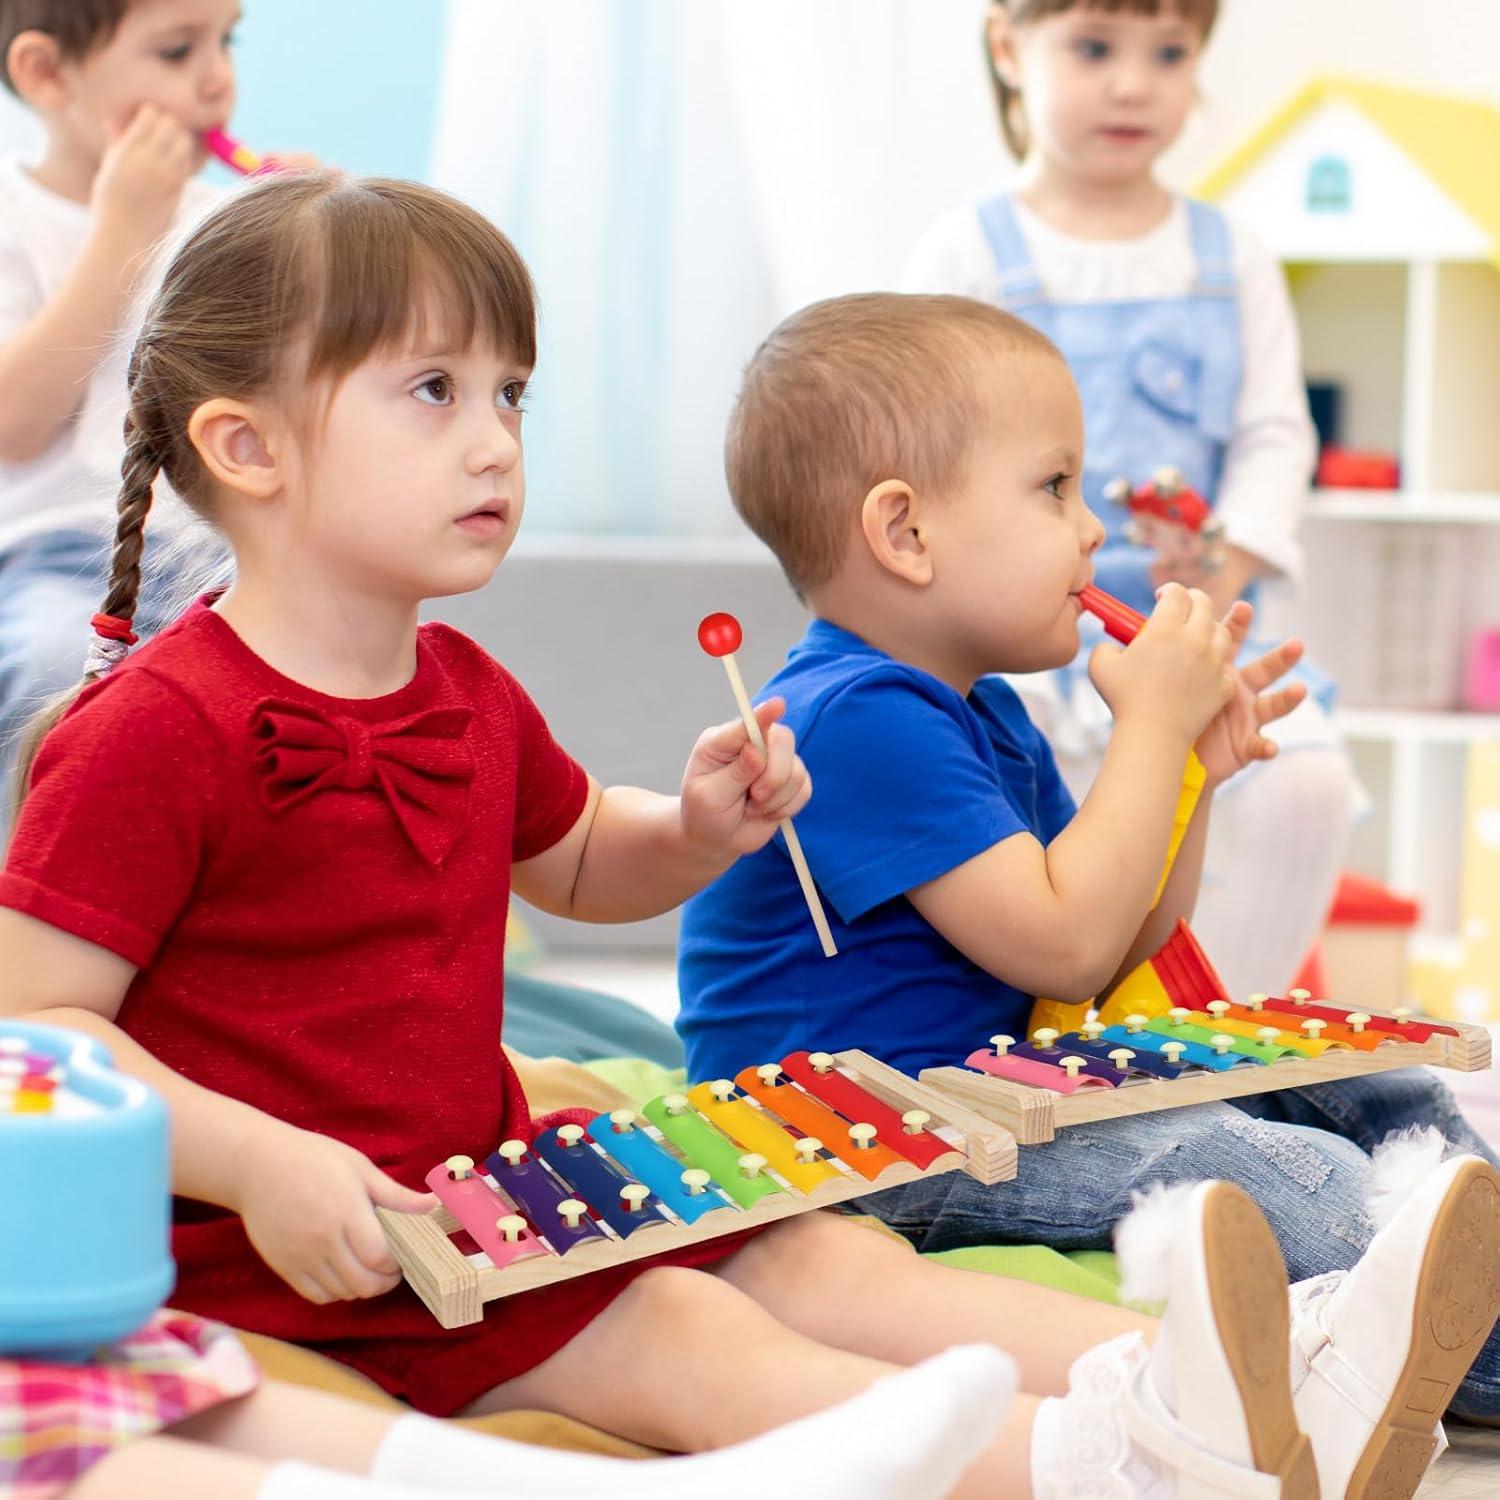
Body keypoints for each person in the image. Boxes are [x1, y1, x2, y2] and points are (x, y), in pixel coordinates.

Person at [1, 168, 1425, 1500]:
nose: (496, 437)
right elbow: (39, 1033)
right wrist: (257, 1163)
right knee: (738, 1361)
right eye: (435, 391)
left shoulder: (464, 693)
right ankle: (1103, 1457)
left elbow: (571, 864)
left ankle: (1217, 1409)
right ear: (245, 447)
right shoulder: (154, 728)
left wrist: (688, 830)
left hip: (460, 1215)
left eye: (511, 393)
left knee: (770, 1298)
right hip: (255, 1246)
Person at [675, 290, 1500, 1457]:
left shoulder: (987, 714)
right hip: (868, 1132)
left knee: (1390, 1090)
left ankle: (1484, 1288)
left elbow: (1115, 950)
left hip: (995, 1085)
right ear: (906, 534)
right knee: (1269, 1171)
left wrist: (1190, 779)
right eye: (1054, 487)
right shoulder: (854, 718)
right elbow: (1060, 947)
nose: (1092, 530)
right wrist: (1147, 734)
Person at [900, 0, 1361, 999]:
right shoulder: (964, 253)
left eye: (1170, 52)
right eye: (1096, 47)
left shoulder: (1232, 253)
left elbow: (1277, 435)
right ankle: (1088, 1034)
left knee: (1306, 776)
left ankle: (1228, 1033)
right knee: (1030, 800)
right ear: (1008, 47)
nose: (1134, 83)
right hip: (1020, 640)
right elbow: (915, 450)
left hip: (1190, 620)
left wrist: (1225, 564)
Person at [0, 0, 308, 811]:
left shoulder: (227, 221)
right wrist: (121, 230)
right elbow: (14, 429)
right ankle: (41, 912)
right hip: (57, 563)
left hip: (225, 553)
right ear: (46, 73)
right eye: (176, 51)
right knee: (51, 672)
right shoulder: (12, 218)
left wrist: (322, 250)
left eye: (225, 41)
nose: (217, 77)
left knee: (337, 682)